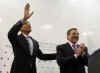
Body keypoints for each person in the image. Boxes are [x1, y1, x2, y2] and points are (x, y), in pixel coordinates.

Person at [8, 3, 56, 73]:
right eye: (26, 23)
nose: (29, 25)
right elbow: (11, 34)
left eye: (30, 24)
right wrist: (24, 19)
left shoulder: (35, 42)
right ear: (20, 28)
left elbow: (42, 56)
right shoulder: (16, 39)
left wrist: (59, 54)